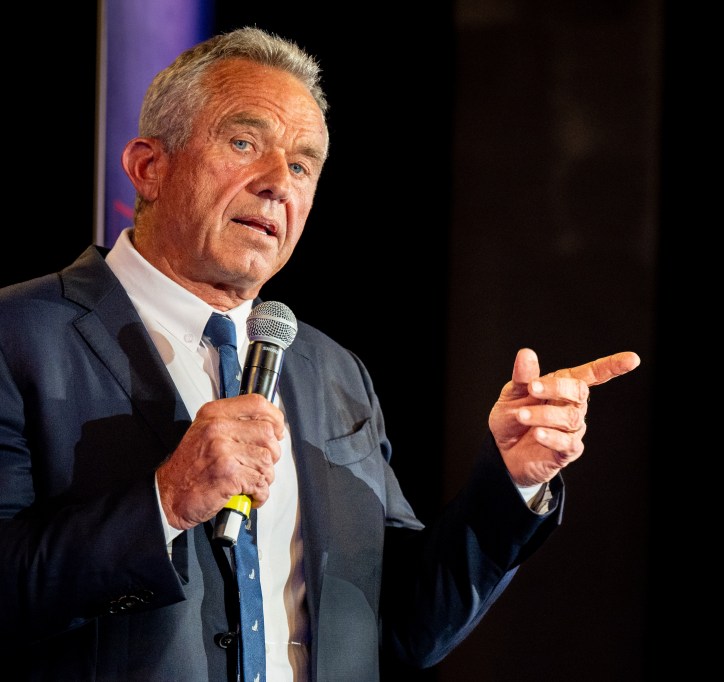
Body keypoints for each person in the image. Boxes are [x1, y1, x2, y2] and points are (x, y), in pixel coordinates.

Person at [0, 26, 640, 681]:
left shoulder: (333, 372)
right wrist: (166, 501)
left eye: (302, 164)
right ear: (148, 166)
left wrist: (512, 481)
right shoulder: (19, 335)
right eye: (244, 142)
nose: (278, 181)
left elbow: (405, 625)